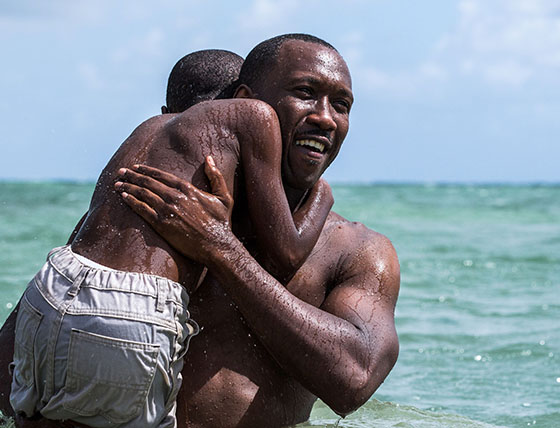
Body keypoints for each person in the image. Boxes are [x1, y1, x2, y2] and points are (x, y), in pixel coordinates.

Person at [0, 45, 334, 427]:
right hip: (129, 311)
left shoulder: (146, 132)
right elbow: (287, 252)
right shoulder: (254, 116)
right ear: (244, 96)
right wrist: (320, 195)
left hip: (56, 286)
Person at [116, 34, 400, 427]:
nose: (325, 117)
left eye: (341, 105)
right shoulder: (167, 209)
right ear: (246, 104)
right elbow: (22, 371)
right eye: (305, 93)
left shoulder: (355, 250)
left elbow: (354, 379)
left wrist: (221, 250)